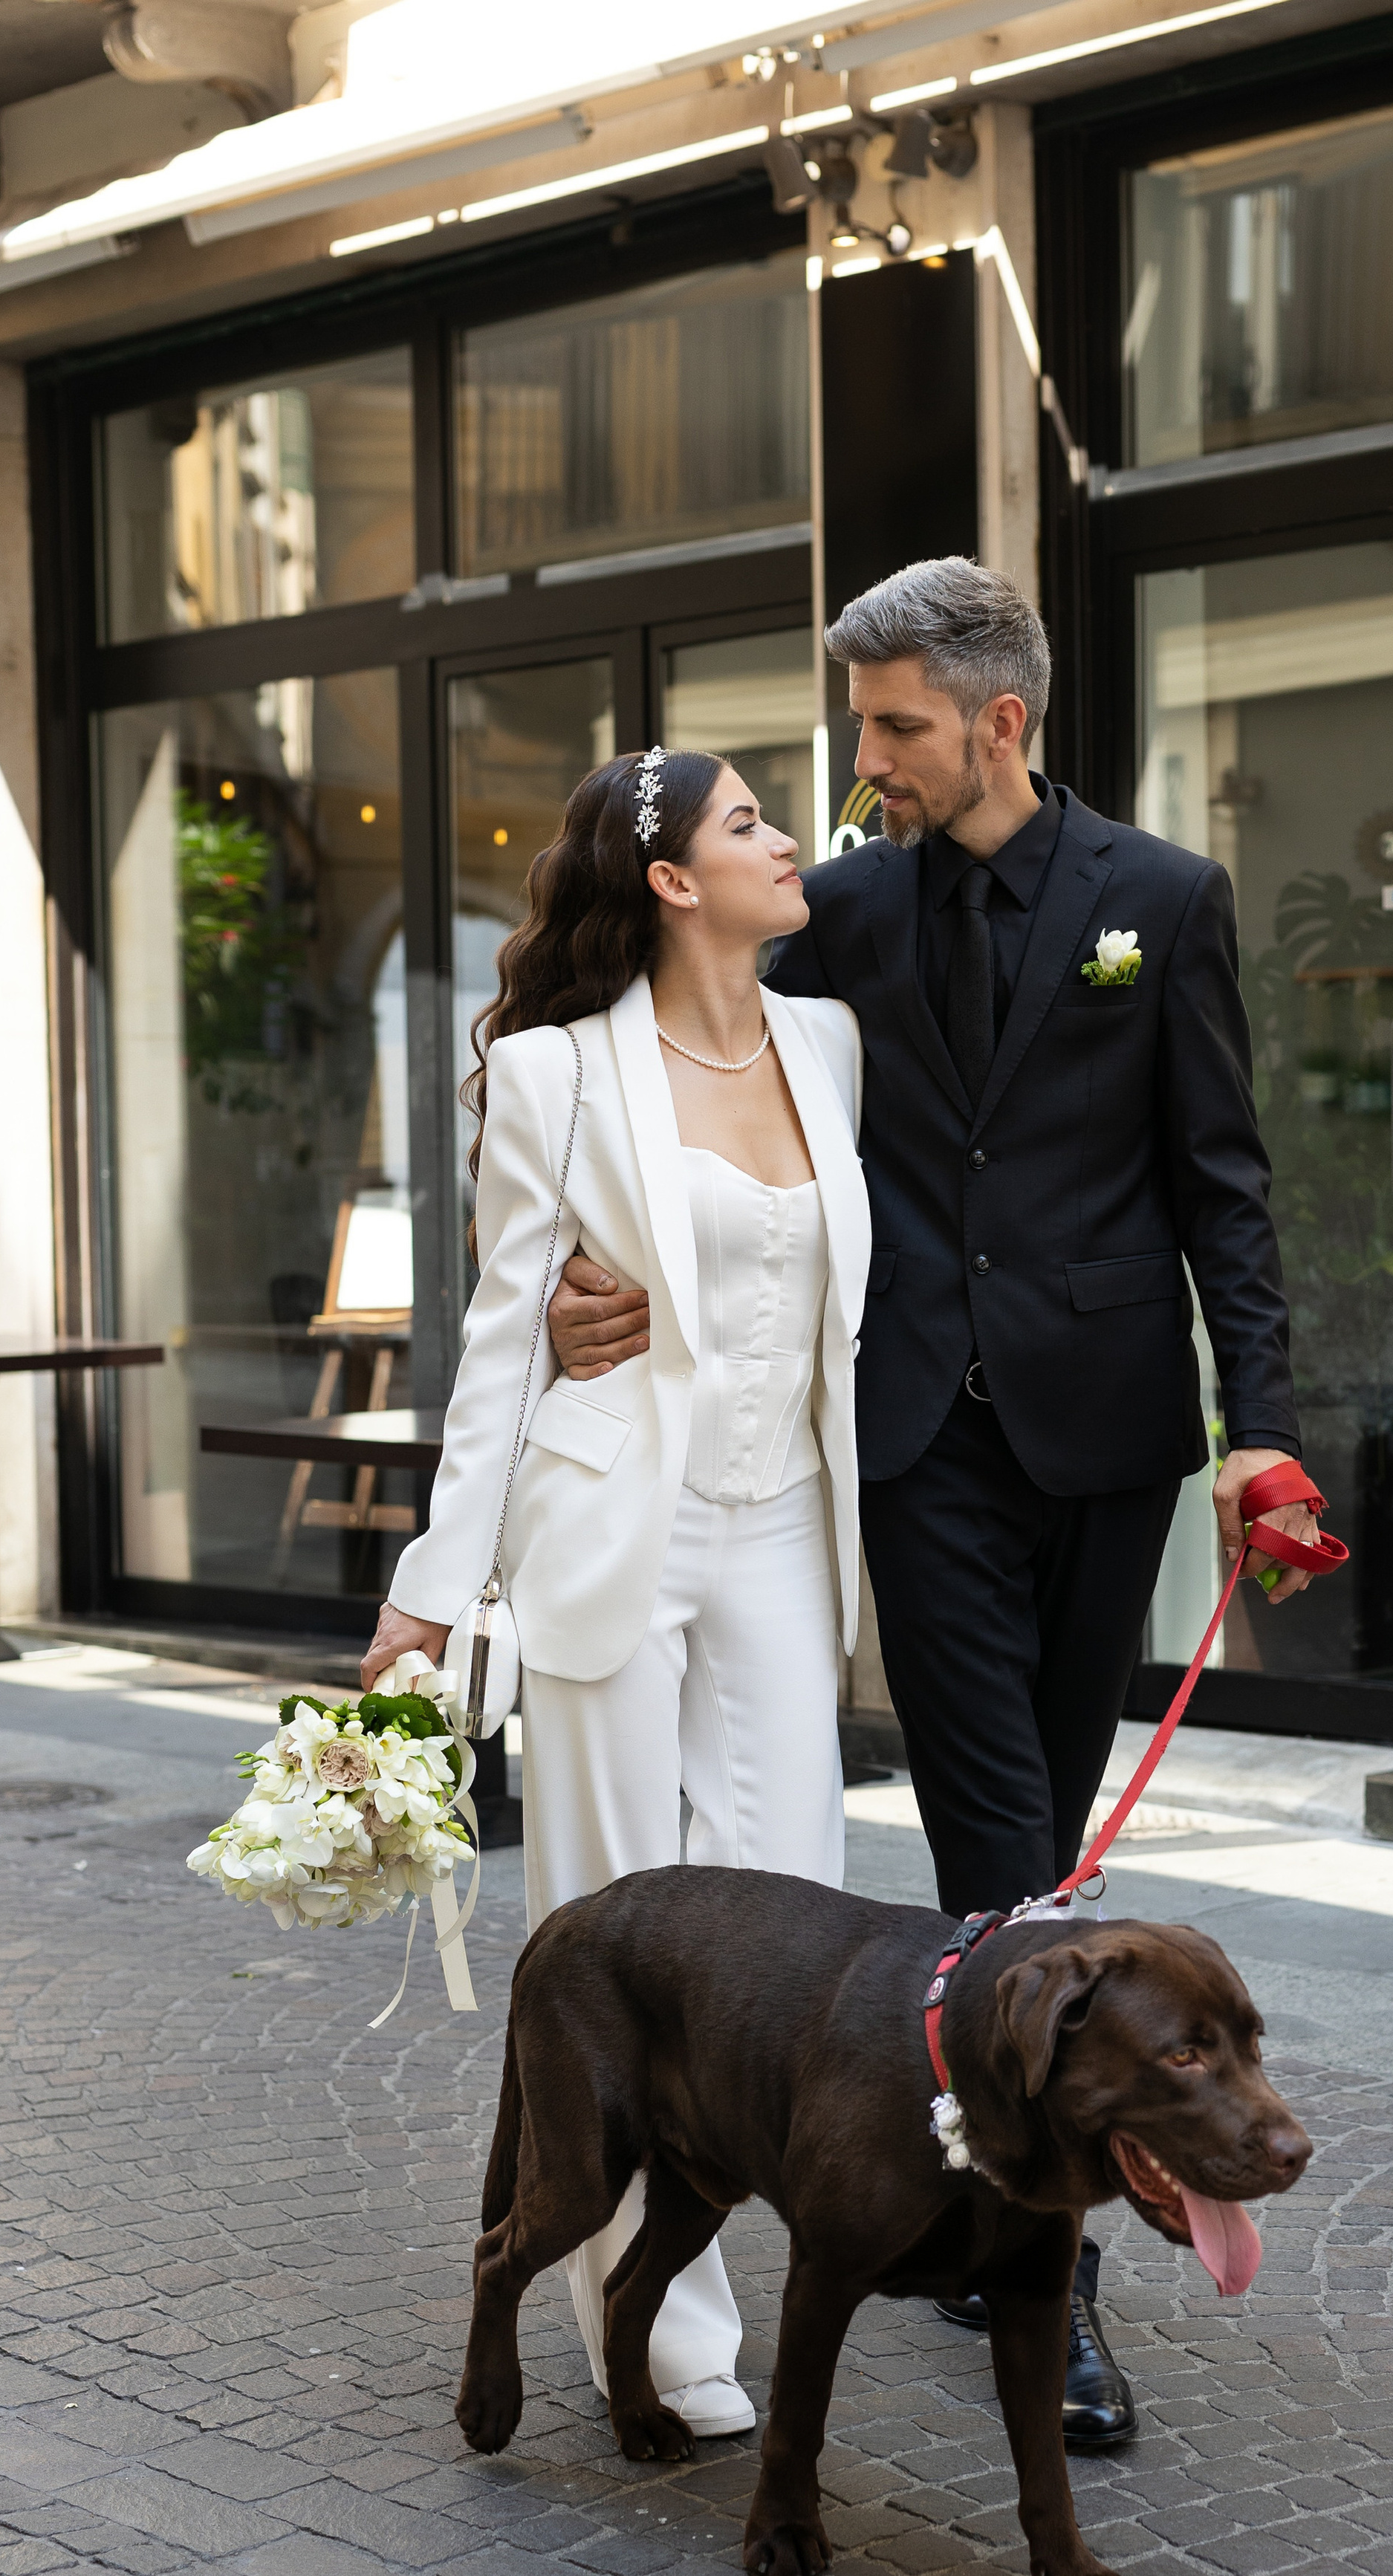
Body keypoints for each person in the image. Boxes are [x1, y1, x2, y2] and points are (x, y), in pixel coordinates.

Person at [545, 559, 1317, 2447]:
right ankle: (1044, 2285)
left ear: (998, 720)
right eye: (859, 726)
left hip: (1107, 1435)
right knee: (997, 1847)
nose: (863, 763)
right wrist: (574, 1258)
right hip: (910, 1442)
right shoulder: (843, 909)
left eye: (892, 727)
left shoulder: (1161, 901)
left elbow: (1220, 1183)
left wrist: (1262, 1430)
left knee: (1048, 1815)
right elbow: (671, 1056)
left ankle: (998, 2201)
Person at [358, 744, 868, 2439]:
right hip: (606, 1528)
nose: (784, 843)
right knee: (611, 1918)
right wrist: (433, 1595)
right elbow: (507, 1342)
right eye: (748, 823)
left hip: (787, 1524)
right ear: (669, 879)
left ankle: (706, 2256)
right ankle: (647, 2325)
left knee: (788, 1913)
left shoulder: (828, 1042)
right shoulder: (556, 1075)